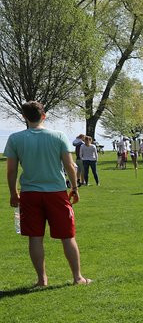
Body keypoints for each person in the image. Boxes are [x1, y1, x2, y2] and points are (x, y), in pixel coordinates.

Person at [5, 101, 91, 286]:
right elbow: (69, 165)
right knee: (67, 236)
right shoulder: (58, 136)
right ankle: (78, 277)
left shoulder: (15, 138)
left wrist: (13, 193)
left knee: (35, 237)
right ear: (43, 115)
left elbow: (11, 170)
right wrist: (75, 188)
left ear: (24, 117)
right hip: (56, 192)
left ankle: (41, 279)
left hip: (29, 194)